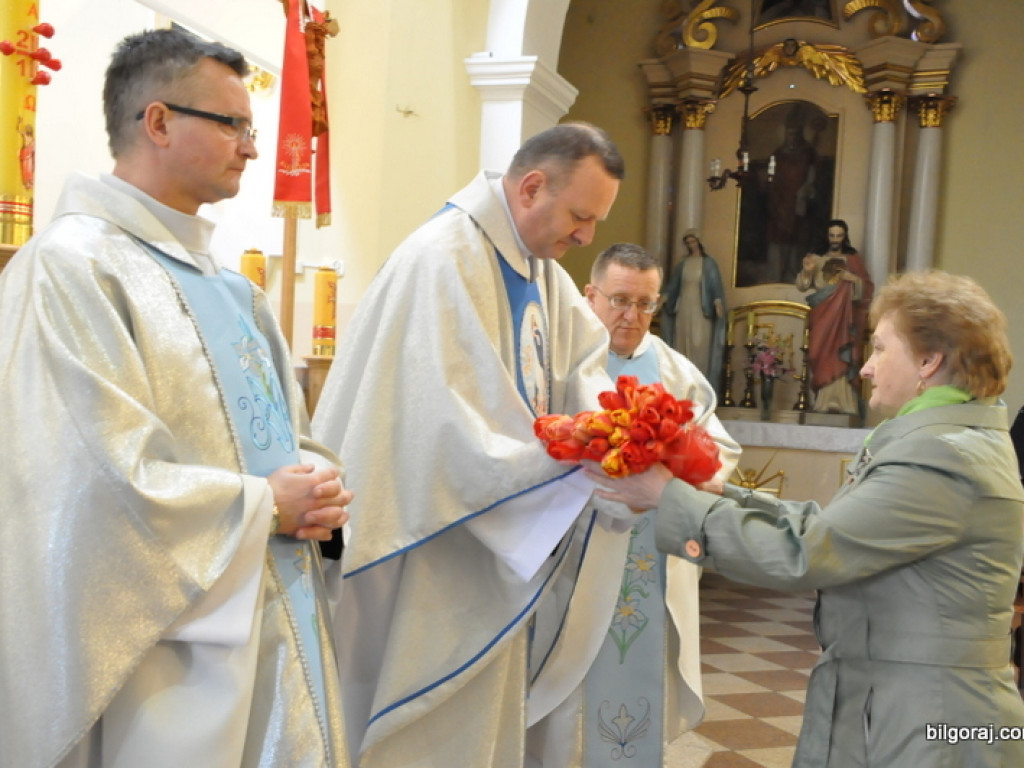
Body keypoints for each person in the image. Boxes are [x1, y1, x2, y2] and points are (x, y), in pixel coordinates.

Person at [0, 28, 352, 768]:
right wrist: (265, 506)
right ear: (157, 122)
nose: (252, 150)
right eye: (233, 125)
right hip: (163, 664)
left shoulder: (233, 290)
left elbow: (278, 433)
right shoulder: (70, 268)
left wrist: (316, 482)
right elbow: (85, 482)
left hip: (270, 618)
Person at [586, 270, 1024, 767]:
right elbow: (829, 525)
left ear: (929, 360)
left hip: (931, 714)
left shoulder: (940, 456)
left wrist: (670, 500)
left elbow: (808, 551)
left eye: (879, 349)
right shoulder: (949, 440)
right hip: (914, 696)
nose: (864, 369)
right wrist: (717, 490)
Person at [312, 123, 630, 767]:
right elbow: (448, 431)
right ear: (533, 186)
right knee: (416, 723)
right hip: (427, 539)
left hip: (491, 540)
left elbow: (585, 366)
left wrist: (610, 426)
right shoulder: (444, 257)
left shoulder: (541, 268)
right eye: (579, 216)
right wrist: (568, 458)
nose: (586, 237)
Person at [525, 243, 740, 766]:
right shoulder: (558, 362)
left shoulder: (676, 371)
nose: (632, 316)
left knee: (638, 671)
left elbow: (721, 450)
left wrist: (678, 466)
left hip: (650, 549)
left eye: (645, 304)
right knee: (564, 677)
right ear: (590, 296)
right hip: (573, 549)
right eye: (620, 300)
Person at [796, 218, 874, 415]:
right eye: (832, 235)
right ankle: (822, 401)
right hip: (822, 311)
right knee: (816, 353)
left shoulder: (852, 258)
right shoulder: (816, 257)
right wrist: (807, 271)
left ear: (844, 236)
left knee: (841, 353)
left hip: (843, 316)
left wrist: (853, 279)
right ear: (826, 236)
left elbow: (866, 286)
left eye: (839, 235)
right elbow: (803, 286)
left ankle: (844, 402)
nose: (835, 239)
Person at [661, 231, 727, 396]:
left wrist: (717, 302)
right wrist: (663, 298)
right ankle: (682, 385)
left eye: (693, 242)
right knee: (682, 343)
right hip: (684, 307)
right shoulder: (683, 264)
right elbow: (673, 285)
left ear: (699, 242)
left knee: (700, 345)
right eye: (688, 243)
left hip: (701, 310)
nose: (691, 245)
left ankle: (700, 387)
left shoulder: (709, 263)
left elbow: (715, 284)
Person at [765, 106, 818, 283]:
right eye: (789, 133)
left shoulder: (808, 154)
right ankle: (776, 275)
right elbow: (771, 179)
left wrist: (806, 191)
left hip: (798, 203)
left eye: (795, 134)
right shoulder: (778, 154)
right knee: (779, 240)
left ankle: (792, 275)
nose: (792, 137)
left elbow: (812, 176)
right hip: (780, 201)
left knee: (797, 241)